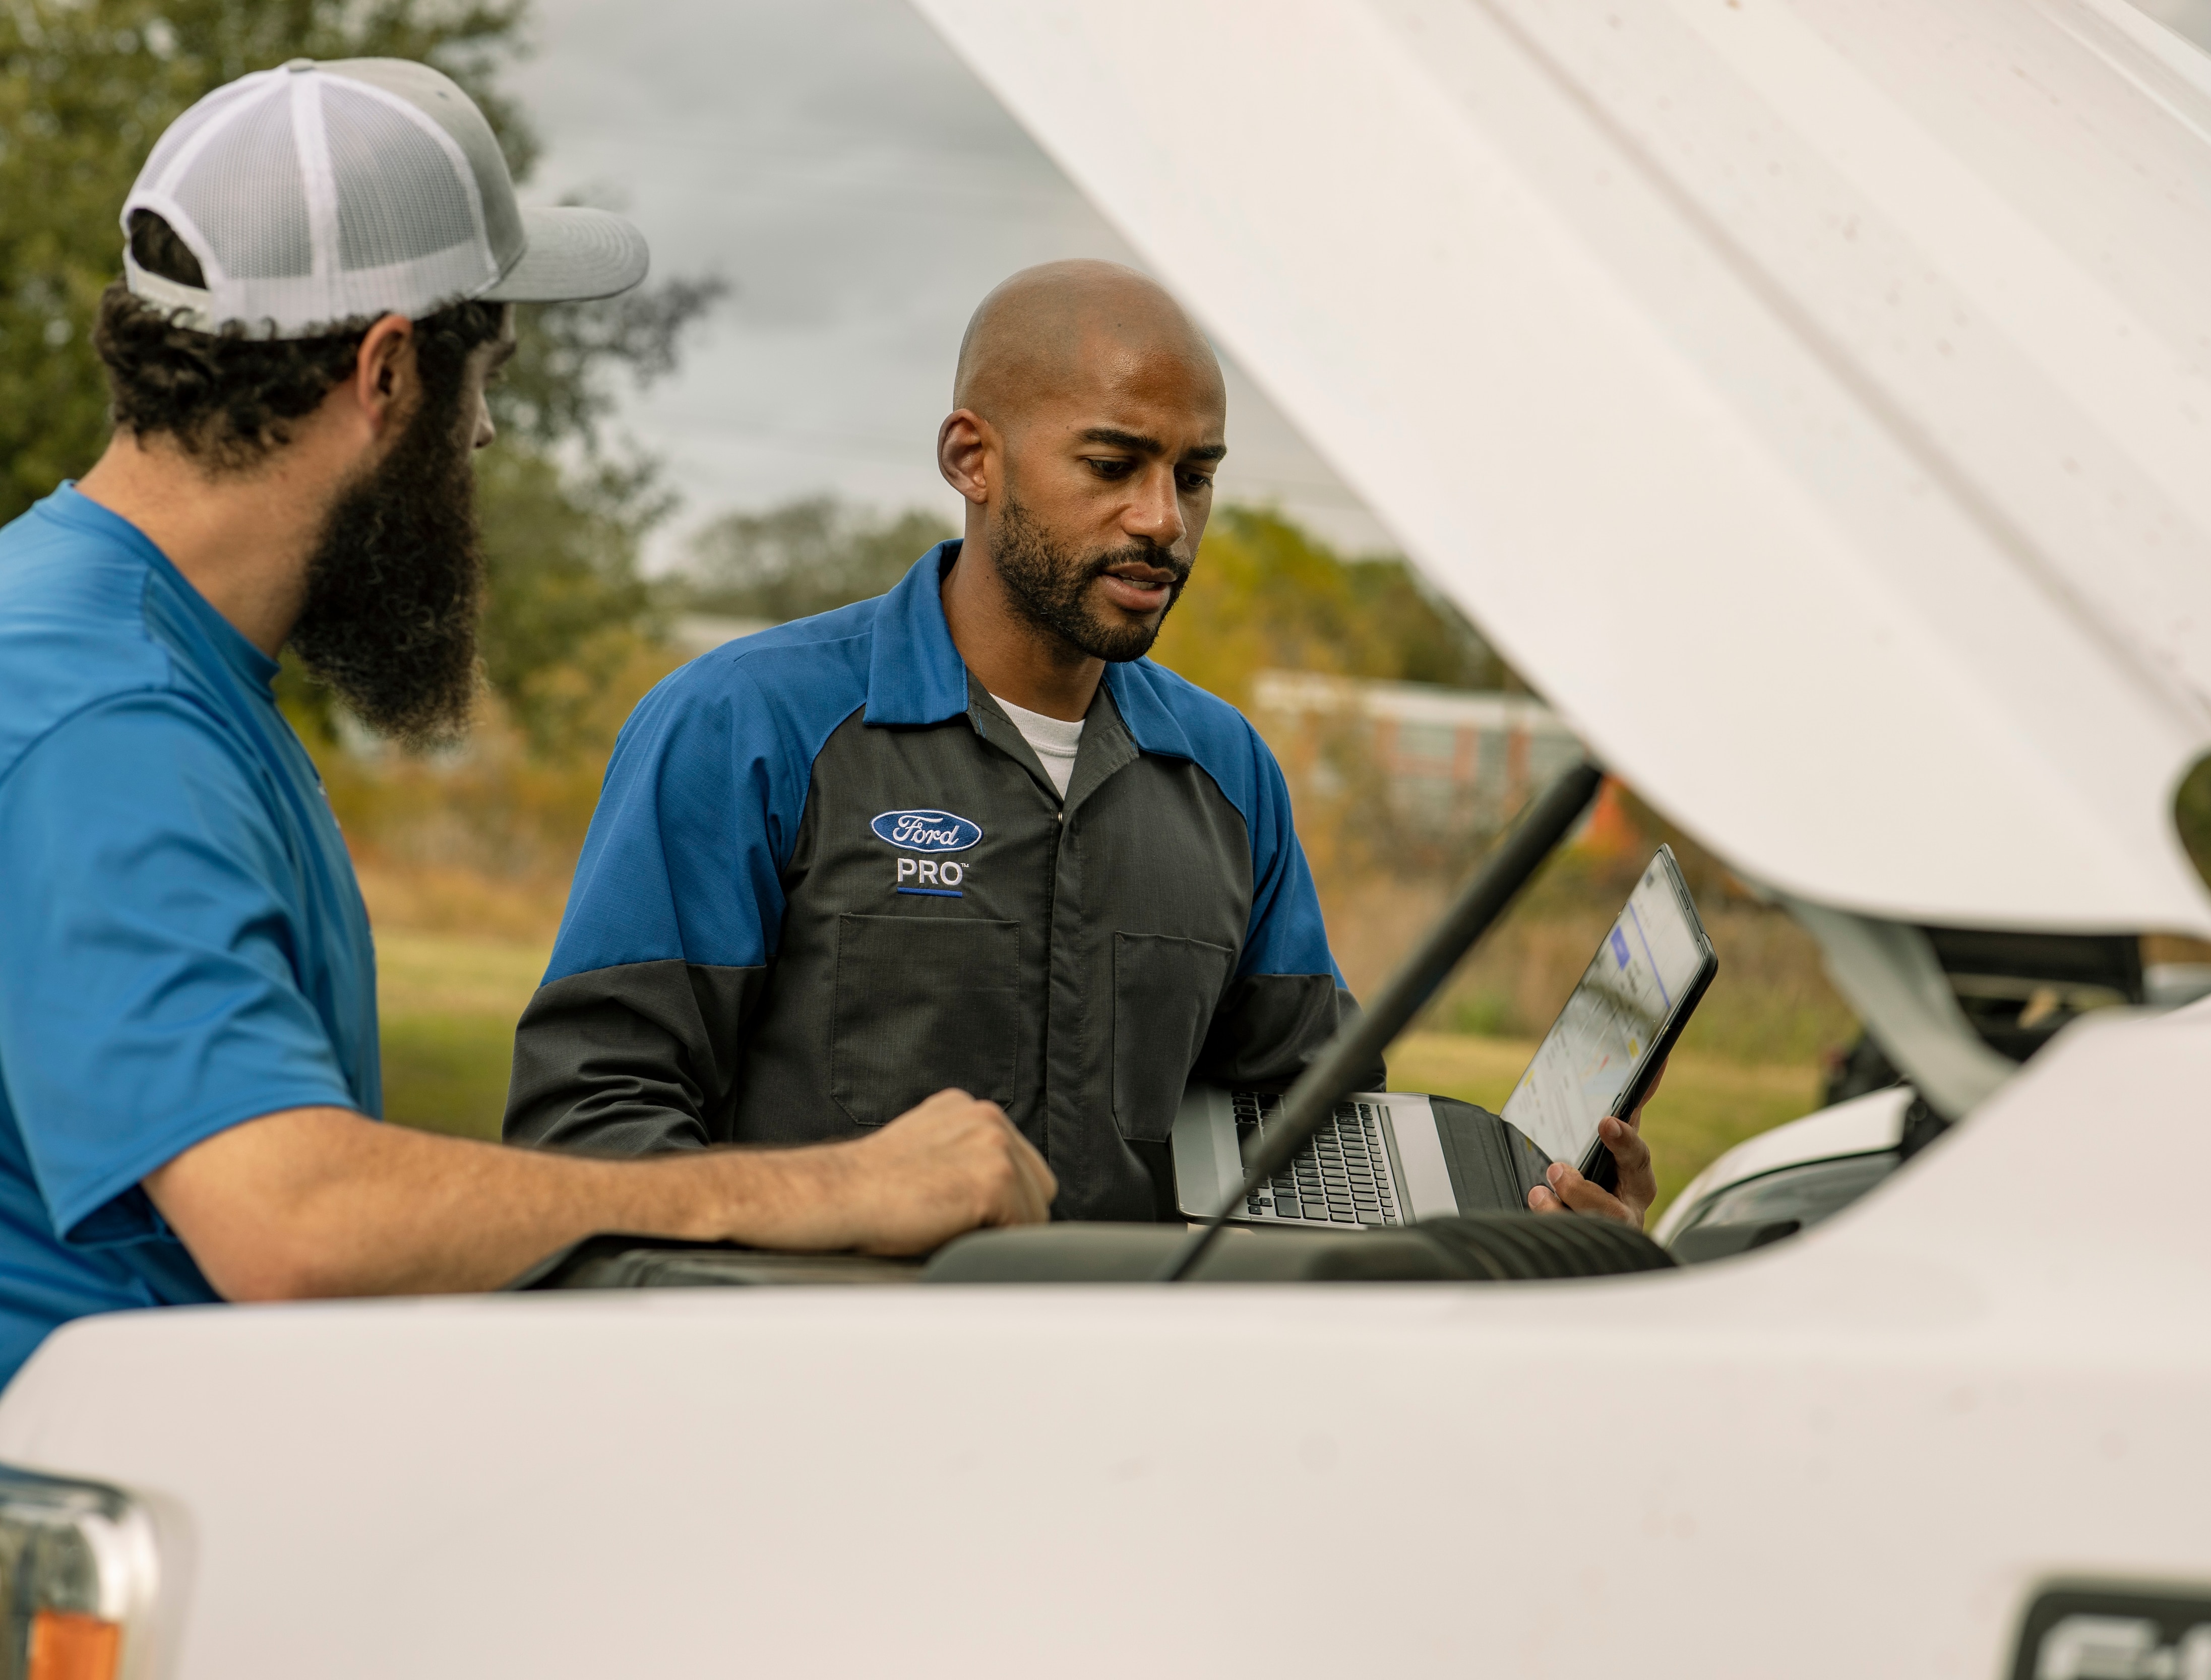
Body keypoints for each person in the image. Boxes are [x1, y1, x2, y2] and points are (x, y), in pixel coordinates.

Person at [0, 59, 1052, 1383]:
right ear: (386, 371)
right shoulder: (105, 714)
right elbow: (294, 1220)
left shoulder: (114, 640)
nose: (487, 431)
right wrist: (824, 1186)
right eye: (483, 373)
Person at [505, 259, 1659, 1227]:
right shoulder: (744, 727)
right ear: (972, 457)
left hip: (1128, 1425)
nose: (1162, 518)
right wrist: (844, 1199)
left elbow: (1308, 1141)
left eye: (1193, 476)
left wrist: (1535, 1213)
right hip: (816, 1413)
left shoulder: (1227, 773)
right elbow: (589, 1122)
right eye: (1113, 466)